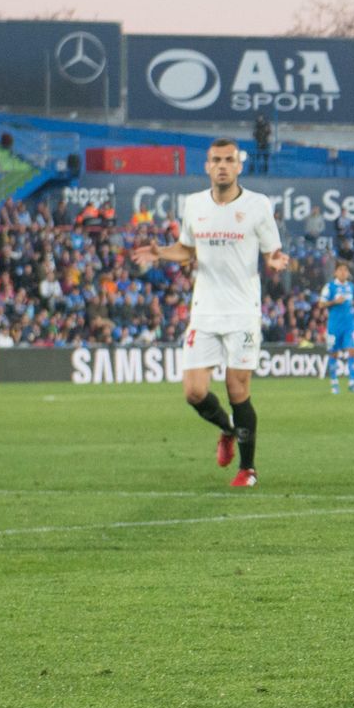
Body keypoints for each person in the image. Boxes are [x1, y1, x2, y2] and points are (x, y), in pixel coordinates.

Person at [130, 138, 288, 488]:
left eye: (228, 160)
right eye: (216, 159)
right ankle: (229, 429)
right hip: (204, 311)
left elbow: (272, 251)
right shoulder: (194, 204)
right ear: (207, 165)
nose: (222, 166)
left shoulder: (258, 206)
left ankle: (248, 470)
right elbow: (187, 250)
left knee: (237, 389)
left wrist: (275, 260)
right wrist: (161, 253)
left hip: (242, 312)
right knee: (194, 391)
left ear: (238, 165)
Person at [320, 260, 354, 394]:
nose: (343, 273)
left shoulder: (351, 287)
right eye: (341, 270)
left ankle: (352, 383)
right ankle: (334, 383)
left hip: (349, 324)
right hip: (334, 325)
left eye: (346, 270)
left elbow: (352, 302)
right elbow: (321, 304)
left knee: (352, 350)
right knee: (334, 353)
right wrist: (334, 302)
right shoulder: (329, 287)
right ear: (335, 272)